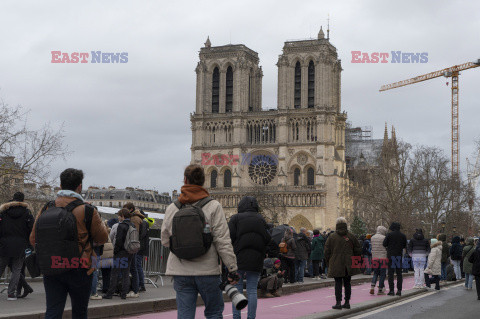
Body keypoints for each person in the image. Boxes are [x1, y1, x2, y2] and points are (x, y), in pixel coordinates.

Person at [161, 164, 238, 319]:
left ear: (185, 180)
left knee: (185, 315)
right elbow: (222, 240)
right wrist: (232, 267)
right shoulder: (213, 206)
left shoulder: (173, 208)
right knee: (214, 313)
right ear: (204, 182)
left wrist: (182, 248)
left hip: (181, 270)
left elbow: (164, 239)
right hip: (207, 270)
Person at [29, 168, 108, 318]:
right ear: (79, 186)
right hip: (80, 266)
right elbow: (101, 238)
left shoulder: (47, 207)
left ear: (60, 185)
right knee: (79, 311)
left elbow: (33, 239)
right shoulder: (87, 210)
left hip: (51, 265)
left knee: (52, 310)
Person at [228, 196, 271, 319]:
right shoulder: (261, 219)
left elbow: (229, 237)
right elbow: (268, 239)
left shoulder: (235, 218)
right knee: (252, 291)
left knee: (237, 290)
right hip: (256, 259)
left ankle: (236, 317)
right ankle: (251, 317)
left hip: (239, 259)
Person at [0, 192, 34, 300]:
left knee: (0, 268)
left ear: (12, 199)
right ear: (23, 201)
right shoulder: (27, 213)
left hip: (4, 245)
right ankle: (11, 293)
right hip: (20, 246)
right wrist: (29, 245)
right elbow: (32, 230)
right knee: (16, 270)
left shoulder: (3, 212)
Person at [325, 217, 361, 310]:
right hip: (348, 264)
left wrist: (328, 262)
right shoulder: (351, 236)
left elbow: (327, 251)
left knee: (337, 283)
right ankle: (347, 302)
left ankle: (338, 303)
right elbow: (358, 250)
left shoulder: (332, 237)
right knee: (347, 283)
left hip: (336, 262)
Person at [103, 209, 135, 300]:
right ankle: (124, 293)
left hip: (121, 252)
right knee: (126, 273)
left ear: (123, 216)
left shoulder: (121, 226)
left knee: (114, 273)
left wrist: (115, 251)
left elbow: (118, 241)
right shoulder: (132, 225)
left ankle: (110, 293)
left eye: (119, 216)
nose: (118, 217)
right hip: (130, 252)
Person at [122, 202, 145, 298]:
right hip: (134, 246)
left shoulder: (134, 219)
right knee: (134, 268)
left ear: (130, 209)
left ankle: (135, 289)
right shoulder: (136, 218)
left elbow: (134, 233)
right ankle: (136, 288)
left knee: (133, 268)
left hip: (132, 246)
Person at [383, 222, 407, 296]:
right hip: (398, 256)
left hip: (391, 256)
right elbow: (404, 245)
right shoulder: (403, 235)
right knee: (399, 274)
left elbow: (384, 244)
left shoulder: (389, 235)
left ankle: (391, 290)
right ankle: (399, 290)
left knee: (391, 274)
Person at [370, 226, 387, 295]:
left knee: (375, 273)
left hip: (374, 257)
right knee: (382, 274)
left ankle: (372, 287)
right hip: (383, 257)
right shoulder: (384, 238)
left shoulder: (372, 237)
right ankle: (380, 290)